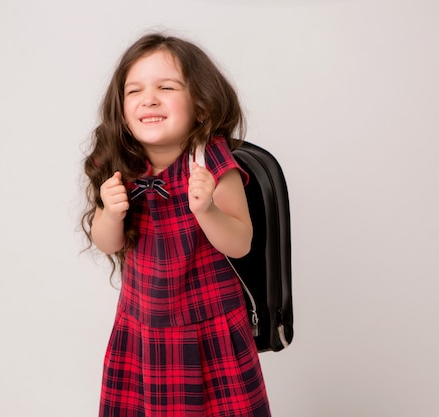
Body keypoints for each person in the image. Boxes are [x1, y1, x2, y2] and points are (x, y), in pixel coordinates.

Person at [81, 32, 271, 417]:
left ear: (200, 106)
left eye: (166, 87)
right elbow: (107, 242)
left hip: (209, 331)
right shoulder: (120, 162)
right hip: (142, 329)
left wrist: (208, 211)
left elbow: (241, 243)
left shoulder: (212, 161)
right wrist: (111, 212)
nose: (148, 98)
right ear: (121, 108)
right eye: (134, 91)